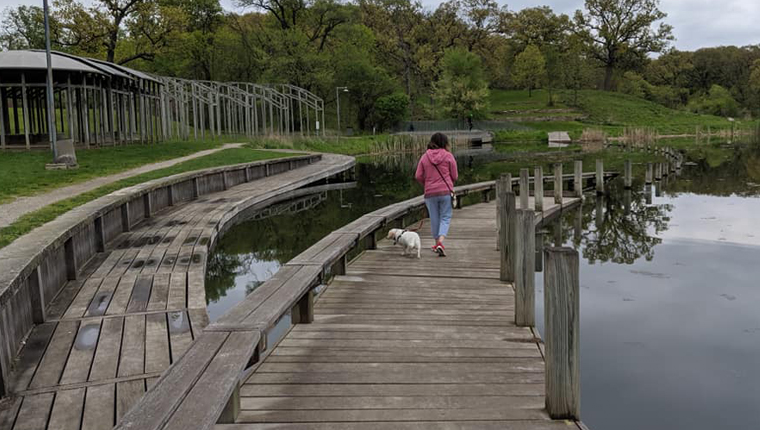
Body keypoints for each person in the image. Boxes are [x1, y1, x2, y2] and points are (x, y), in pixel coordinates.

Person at [415, 132, 458, 257]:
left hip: (430, 193)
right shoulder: (448, 156)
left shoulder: (424, 157)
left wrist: (427, 183)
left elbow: (418, 176)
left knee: (434, 218)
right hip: (445, 191)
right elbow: (455, 176)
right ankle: (440, 242)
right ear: (445, 143)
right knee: (445, 217)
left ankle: (436, 244)